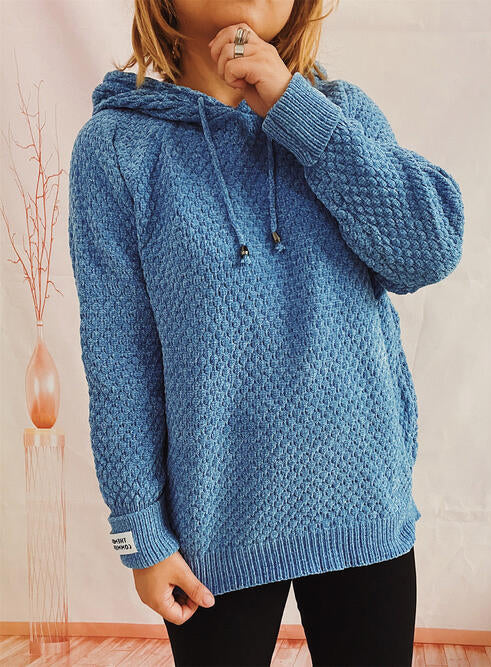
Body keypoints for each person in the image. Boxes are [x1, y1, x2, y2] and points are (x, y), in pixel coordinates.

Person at [67, 0, 465, 665]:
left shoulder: (339, 115)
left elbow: (428, 249)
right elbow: (118, 361)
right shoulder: (117, 149)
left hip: (364, 508)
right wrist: (138, 532)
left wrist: (295, 110)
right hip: (215, 527)